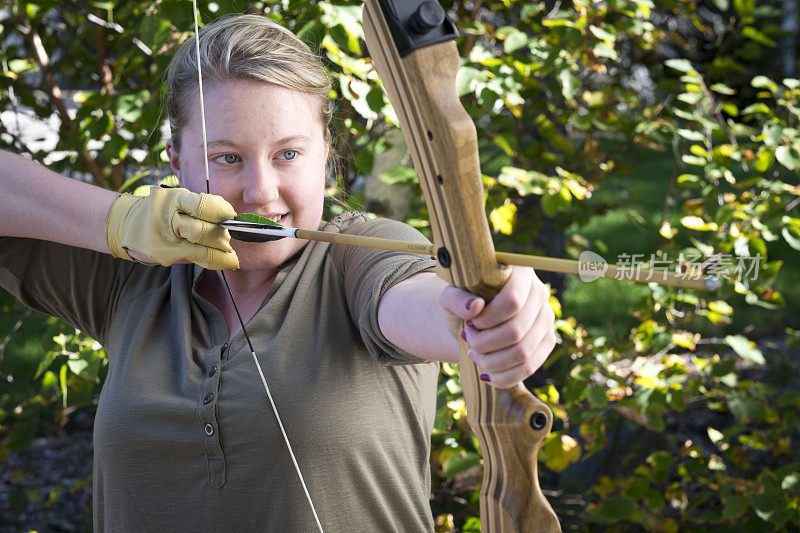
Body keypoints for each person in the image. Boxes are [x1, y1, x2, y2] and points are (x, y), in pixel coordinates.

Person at [0, 14, 556, 532]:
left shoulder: (360, 258)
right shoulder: (135, 275)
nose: (260, 192)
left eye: (288, 154)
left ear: (326, 154)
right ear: (177, 161)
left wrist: (487, 317)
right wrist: (117, 221)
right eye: (226, 158)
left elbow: (429, 303)